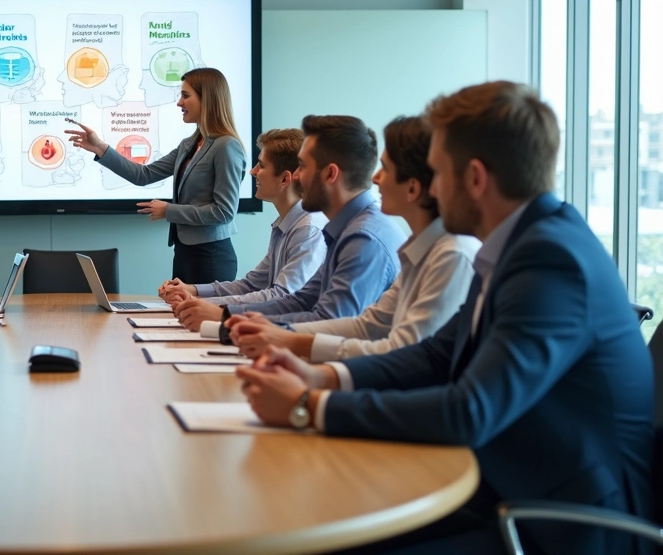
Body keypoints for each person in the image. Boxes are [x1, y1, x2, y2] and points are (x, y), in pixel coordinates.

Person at [237, 82, 653, 555]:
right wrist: (323, 375)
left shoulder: (549, 261)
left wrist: (307, 406)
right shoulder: (518, 243)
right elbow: (436, 354)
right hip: (500, 485)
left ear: (474, 178)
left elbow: (469, 411)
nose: (429, 188)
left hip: (560, 525)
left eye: (436, 172)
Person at [228, 116, 479, 361]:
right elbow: (365, 324)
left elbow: (400, 351)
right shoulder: (406, 244)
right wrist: (259, 326)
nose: (376, 179)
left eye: (302, 167)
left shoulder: (367, 237)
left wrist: (275, 334)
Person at [178, 115, 406, 334]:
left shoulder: (362, 238)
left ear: (330, 174)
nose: (295, 176)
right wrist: (225, 314)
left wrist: (225, 318)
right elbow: (301, 300)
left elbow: (328, 324)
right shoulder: (343, 229)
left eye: (303, 167)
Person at [65, 67, 247, 284]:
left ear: (207, 99)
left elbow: (224, 212)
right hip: (184, 252)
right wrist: (100, 148)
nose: (179, 103)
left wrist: (169, 210)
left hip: (211, 256)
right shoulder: (189, 144)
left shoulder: (226, 146)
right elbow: (144, 175)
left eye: (186, 96)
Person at [158, 128, 326, 307]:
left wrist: (200, 303)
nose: (253, 171)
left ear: (285, 179)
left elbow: (281, 296)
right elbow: (251, 285)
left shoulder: (308, 230)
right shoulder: (287, 225)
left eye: (261, 165)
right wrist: (192, 290)